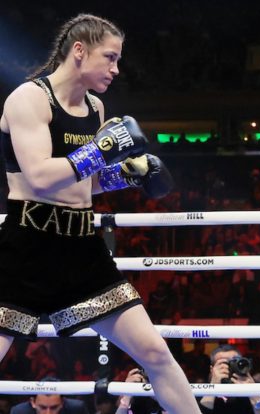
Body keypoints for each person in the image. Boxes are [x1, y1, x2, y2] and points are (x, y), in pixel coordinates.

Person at [0, 13, 201, 414]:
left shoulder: (94, 106)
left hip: (81, 250)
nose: (116, 68)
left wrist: (126, 175)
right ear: (79, 51)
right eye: (110, 57)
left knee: (155, 353)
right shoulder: (29, 98)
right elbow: (40, 177)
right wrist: (102, 149)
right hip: (27, 248)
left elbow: (83, 181)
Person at [198, 344, 260, 414]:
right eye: (224, 363)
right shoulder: (200, 389)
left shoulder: (257, 388)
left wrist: (254, 394)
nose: (230, 367)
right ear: (212, 369)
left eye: (234, 362)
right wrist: (213, 387)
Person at [10, 377, 89, 414]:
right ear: (33, 402)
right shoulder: (19, 412)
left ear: (62, 402)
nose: (48, 413)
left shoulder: (76, 409)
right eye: (43, 407)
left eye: (54, 407)